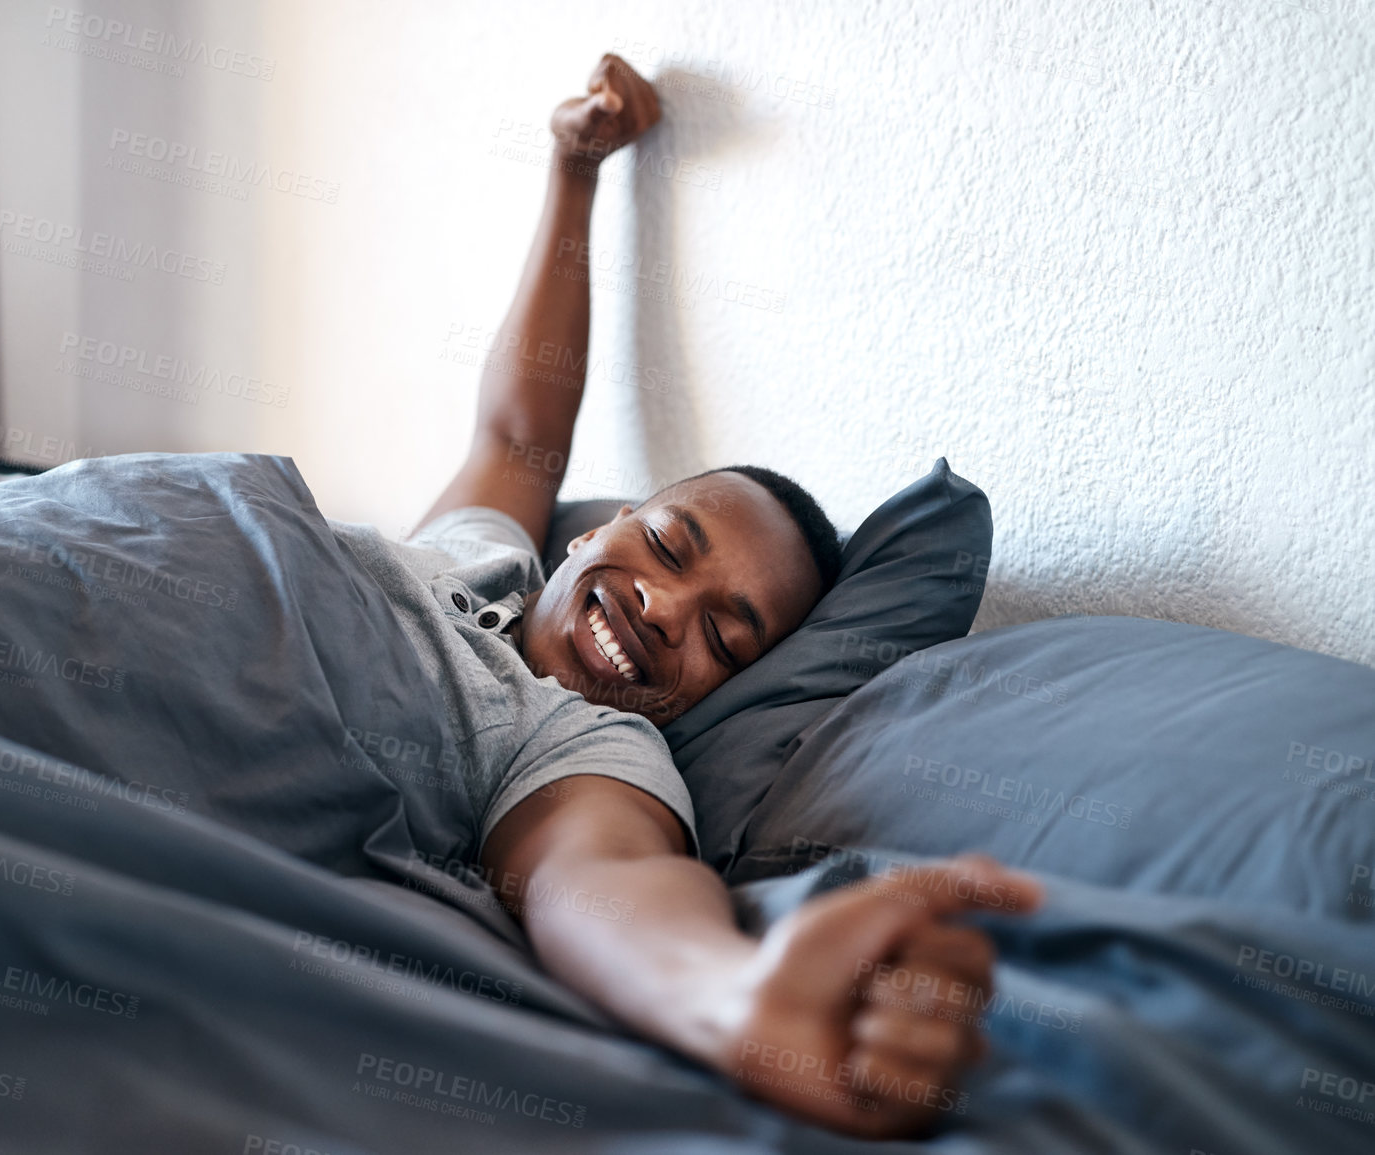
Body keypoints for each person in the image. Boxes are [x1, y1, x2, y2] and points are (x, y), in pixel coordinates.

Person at [326, 53, 1045, 1139]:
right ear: (589, 530)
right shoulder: (478, 551)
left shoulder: (580, 749)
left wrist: (739, 1001)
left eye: (723, 633)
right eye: (665, 546)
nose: (665, 610)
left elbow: (604, 887)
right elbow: (520, 432)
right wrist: (575, 166)